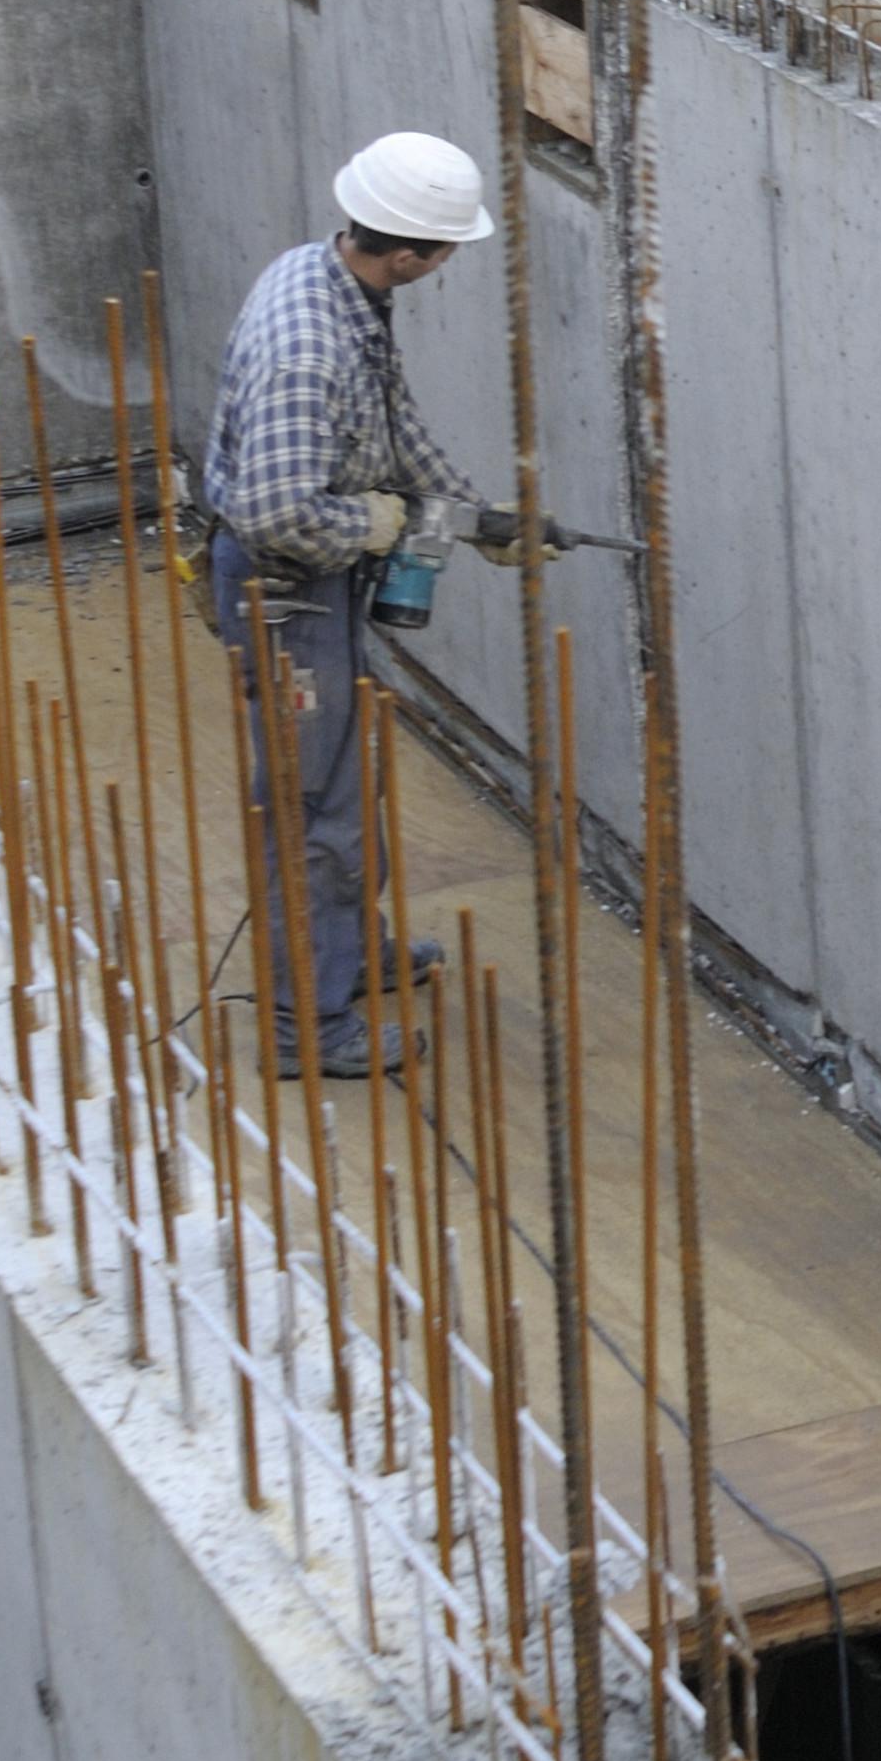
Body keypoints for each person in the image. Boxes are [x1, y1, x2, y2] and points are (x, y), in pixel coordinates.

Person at [198, 132, 521, 1076]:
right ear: (409, 253)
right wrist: (375, 525)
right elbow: (272, 510)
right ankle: (306, 1024)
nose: (449, 261)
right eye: (446, 249)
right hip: (286, 593)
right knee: (313, 809)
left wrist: (477, 517)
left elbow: (393, 426)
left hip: (319, 583)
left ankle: (348, 952)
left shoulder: (336, 281)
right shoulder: (307, 349)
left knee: (348, 781)